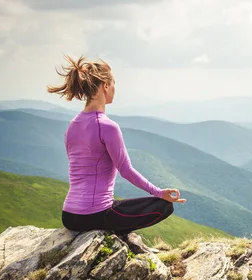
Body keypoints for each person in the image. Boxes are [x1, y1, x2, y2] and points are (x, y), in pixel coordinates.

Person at [47, 55, 186, 242]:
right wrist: (159, 193)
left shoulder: (72, 125)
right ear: (105, 85)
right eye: (113, 84)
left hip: (69, 216)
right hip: (95, 215)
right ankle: (116, 235)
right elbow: (126, 170)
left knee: (117, 205)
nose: (114, 89)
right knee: (164, 206)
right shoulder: (107, 126)